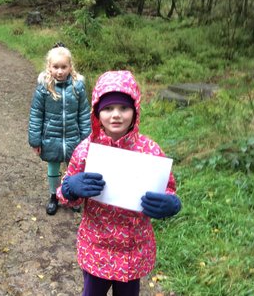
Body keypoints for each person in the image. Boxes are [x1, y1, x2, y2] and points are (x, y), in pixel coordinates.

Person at [56, 70, 182, 296]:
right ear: (96, 112)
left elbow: (168, 188)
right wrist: (69, 187)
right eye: (108, 108)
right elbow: (63, 192)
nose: (116, 115)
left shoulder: (150, 151)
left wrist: (172, 203)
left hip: (134, 250)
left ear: (135, 110)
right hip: (96, 247)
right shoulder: (87, 150)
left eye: (123, 108)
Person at [28, 43, 91, 216]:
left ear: (70, 67)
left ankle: (71, 196)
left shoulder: (77, 87)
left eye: (64, 67)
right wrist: (35, 140)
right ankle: (54, 195)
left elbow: (84, 114)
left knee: (73, 168)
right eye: (56, 67)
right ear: (49, 67)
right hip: (51, 137)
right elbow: (36, 114)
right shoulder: (44, 87)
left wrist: (87, 140)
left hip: (73, 137)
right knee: (53, 168)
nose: (60, 71)